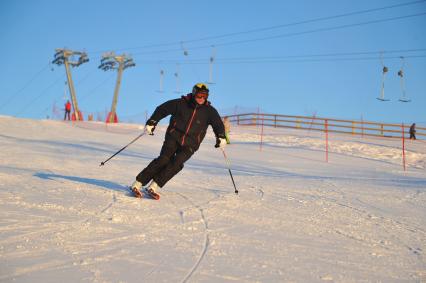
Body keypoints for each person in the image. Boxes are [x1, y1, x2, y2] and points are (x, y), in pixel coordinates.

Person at [131, 83, 227, 199]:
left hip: (192, 143)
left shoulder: (209, 111)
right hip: (173, 136)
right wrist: (152, 122)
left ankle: (154, 185)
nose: (202, 98)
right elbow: (162, 109)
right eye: (199, 95)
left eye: (205, 96)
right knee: (164, 159)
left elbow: (218, 124)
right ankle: (138, 183)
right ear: (194, 93)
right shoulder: (180, 103)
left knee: (176, 164)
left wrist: (221, 136)